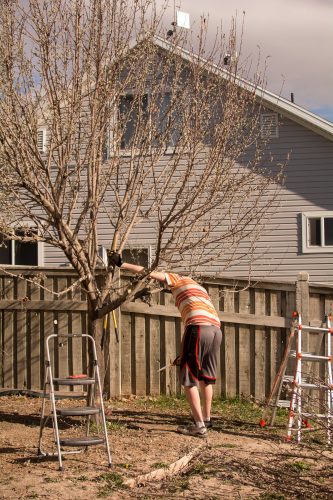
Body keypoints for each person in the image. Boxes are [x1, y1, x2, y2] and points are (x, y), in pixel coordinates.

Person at [109, 252, 222, 438]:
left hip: (198, 328)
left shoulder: (178, 279)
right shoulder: (200, 289)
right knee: (206, 377)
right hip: (216, 330)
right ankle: (207, 420)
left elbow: (150, 272)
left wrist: (123, 264)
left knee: (189, 378)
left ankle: (199, 426)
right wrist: (183, 355)